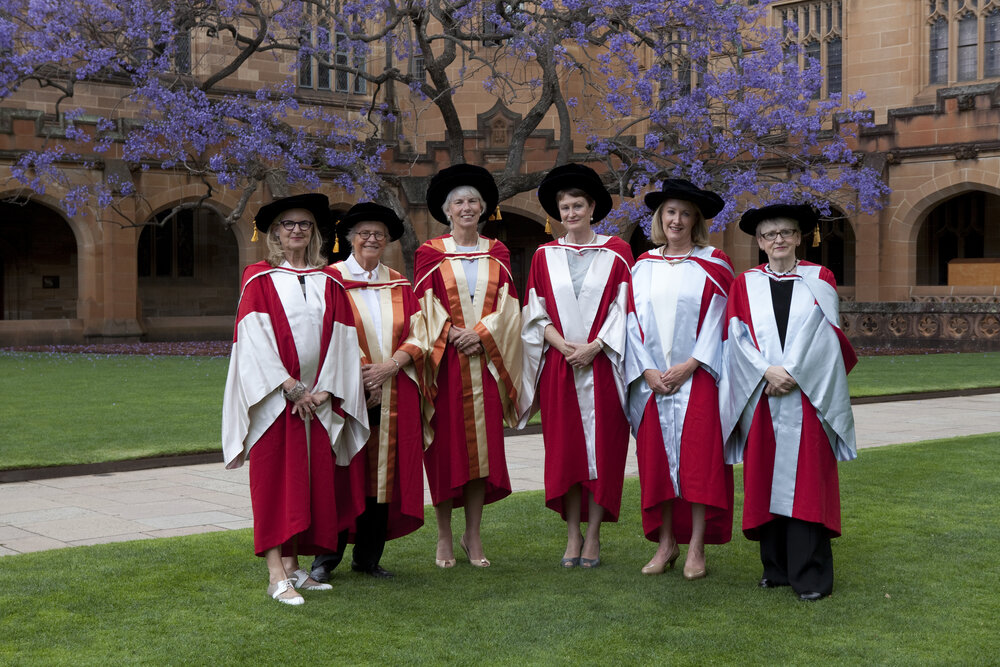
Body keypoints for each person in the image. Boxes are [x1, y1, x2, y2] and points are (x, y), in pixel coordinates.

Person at [221, 193, 369, 606]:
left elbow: (343, 341)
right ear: (275, 233)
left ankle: (293, 567)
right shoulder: (259, 279)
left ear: (315, 233)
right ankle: (274, 574)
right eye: (289, 224)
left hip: (317, 405)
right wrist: (291, 387)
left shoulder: (331, 282)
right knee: (273, 485)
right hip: (275, 402)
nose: (297, 230)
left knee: (308, 485)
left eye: (305, 224)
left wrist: (323, 391)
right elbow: (252, 342)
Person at [720, 203, 857, 601]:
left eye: (785, 233)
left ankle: (810, 575)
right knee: (764, 478)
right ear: (760, 243)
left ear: (799, 237)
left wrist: (791, 372)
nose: (777, 240)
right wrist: (766, 371)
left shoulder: (820, 277)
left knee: (808, 482)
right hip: (762, 394)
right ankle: (775, 569)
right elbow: (736, 336)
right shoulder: (745, 282)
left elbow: (824, 334)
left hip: (807, 397)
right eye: (768, 235)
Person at [519, 163, 635, 569]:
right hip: (560, 368)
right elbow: (534, 311)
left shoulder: (617, 251)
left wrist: (597, 346)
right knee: (565, 452)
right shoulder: (544, 254)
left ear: (592, 208)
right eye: (564, 207)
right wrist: (562, 345)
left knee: (604, 450)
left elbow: (625, 310)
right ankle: (572, 534)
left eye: (578, 205)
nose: (571, 213)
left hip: (602, 368)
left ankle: (595, 535)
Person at [308, 202, 428, 581]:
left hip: (394, 390)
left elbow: (419, 332)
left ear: (387, 240)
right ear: (349, 239)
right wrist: (362, 376)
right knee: (343, 472)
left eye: (378, 234)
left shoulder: (399, 282)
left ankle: (368, 557)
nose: (371, 239)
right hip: (347, 391)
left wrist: (391, 366)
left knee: (383, 476)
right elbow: (325, 331)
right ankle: (325, 559)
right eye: (363, 233)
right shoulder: (330, 279)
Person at [414, 163, 522, 568]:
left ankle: (473, 536)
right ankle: (443, 536)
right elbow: (423, 307)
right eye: (458, 201)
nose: (466, 207)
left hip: (487, 364)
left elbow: (510, 307)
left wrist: (481, 333)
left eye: (473, 201)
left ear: (483, 209)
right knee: (444, 451)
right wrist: (453, 333)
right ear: (447, 210)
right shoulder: (430, 253)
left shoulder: (498, 251)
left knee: (482, 454)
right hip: (445, 363)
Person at [625, 179, 734, 580]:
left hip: (699, 377)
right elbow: (630, 322)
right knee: (657, 464)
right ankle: (667, 543)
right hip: (653, 382)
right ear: (659, 217)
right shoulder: (643, 265)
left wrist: (691, 364)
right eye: (670, 212)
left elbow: (721, 318)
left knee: (700, 463)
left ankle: (697, 548)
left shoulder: (714, 262)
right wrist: (648, 371)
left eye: (685, 213)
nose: (676, 219)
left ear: (696, 220)